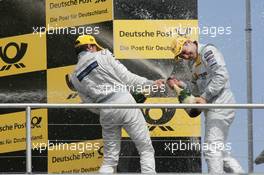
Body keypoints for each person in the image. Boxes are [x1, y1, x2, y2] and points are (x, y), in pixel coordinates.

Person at [70, 35, 162, 173]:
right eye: (95, 47)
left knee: (109, 160)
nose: (96, 49)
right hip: (125, 102)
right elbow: (127, 78)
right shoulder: (103, 54)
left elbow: (89, 104)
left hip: (106, 110)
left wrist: (104, 109)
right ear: (90, 46)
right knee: (145, 148)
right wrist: (150, 84)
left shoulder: (74, 77)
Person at [167, 37, 245, 174]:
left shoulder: (208, 51)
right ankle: (239, 172)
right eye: (181, 55)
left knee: (211, 148)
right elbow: (196, 89)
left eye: (184, 51)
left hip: (221, 105)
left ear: (188, 43)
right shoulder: (192, 64)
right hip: (213, 108)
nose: (185, 56)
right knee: (219, 151)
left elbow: (221, 76)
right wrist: (181, 85)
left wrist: (204, 97)